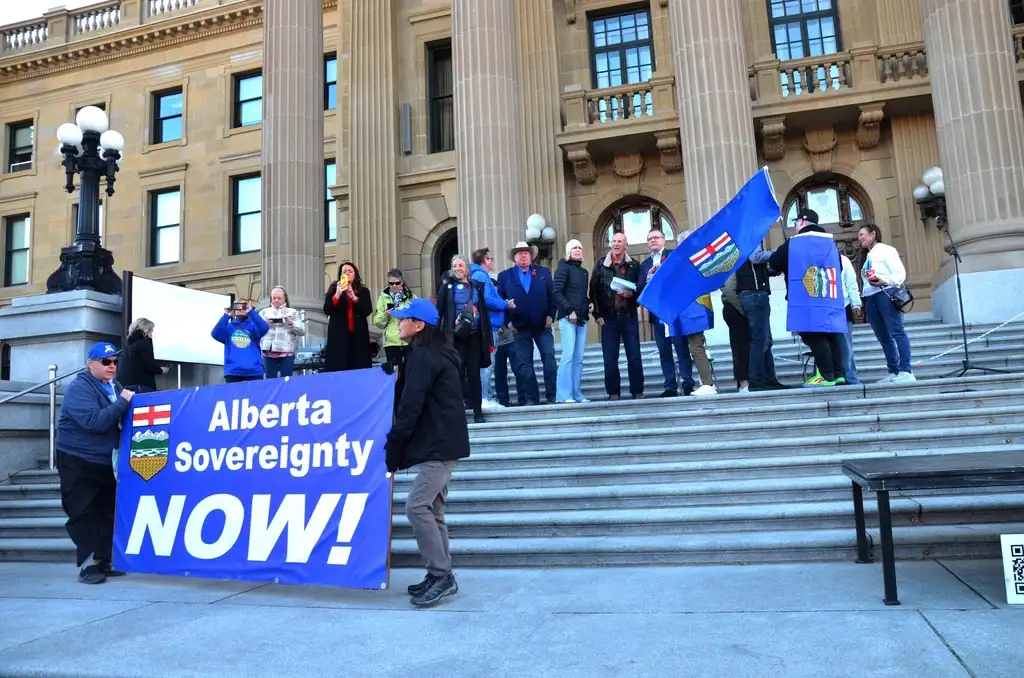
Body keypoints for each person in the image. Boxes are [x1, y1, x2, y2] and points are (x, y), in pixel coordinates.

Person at [384, 298, 470, 607]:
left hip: (440, 445)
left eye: (403, 319)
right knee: (433, 510)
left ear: (419, 325)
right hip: (444, 442)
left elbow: (411, 407)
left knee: (416, 507)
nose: (398, 323)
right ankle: (440, 573)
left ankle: (441, 574)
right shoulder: (429, 353)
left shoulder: (423, 355)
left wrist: (393, 447)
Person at [55, 341, 134, 584]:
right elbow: (94, 422)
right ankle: (88, 565)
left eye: (115, 362)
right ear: (91, 364)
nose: (112, 366)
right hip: (77, 459)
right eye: (106, 362)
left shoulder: (114, 386)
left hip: (104, 459)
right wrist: (122, 402)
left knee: (106, 512)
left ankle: (103, 560)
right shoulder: (79, 387)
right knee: (83, 512)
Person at [769, 208, 848, 386]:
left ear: (802, 222)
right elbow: (839, 268)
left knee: (812, 334)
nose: (795, 226)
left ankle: (826, 375)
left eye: (795, 222)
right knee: (831, 333)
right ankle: (839, 373)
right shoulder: (830, 242)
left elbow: (775, 261)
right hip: (828, 296)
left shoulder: (795, 242)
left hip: (805, 297)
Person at [496, 242, 558, 405]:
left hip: (542, 326)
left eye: (526, 253)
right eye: (519, 253)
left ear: (531, 256)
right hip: (518, 328)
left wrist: (551, 315)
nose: (523, 255)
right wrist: (508, 322)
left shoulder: (544, 272)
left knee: (550, 359)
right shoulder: (505, 276)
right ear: (514, 257)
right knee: (525, 365)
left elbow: (553, 296)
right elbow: (500, 302)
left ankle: (552, 395)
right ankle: (532, 398)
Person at [637, 228, 695, 397]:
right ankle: (670, 386)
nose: (653, 241)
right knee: (664, 351)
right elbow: (640, 289)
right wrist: (648, 277)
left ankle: (687, 383)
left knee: (681, 349)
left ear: (663, 240)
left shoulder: (672, 255)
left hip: (675, 312)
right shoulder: (645, 264)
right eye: (650, 239)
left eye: (656, 237)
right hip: (657, 314)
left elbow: (681, 275)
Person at [436, 254, 493, 423]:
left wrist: (488, 338)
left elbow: (484, 313)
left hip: (475, 336)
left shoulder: (477, 286)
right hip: (455, 338)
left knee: (475, 375)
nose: (457, 269)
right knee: (457, 375)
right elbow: (438, 314)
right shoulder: (446, 289)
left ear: (467, 268)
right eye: (454, 266)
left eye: (460, 265)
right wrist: (436, 337)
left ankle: (477, 412)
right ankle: (457, 413)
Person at [589, 232, 644, 400]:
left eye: (620, 241)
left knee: (634, 355)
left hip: (629, 316)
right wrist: (597, 314)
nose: (616, 244)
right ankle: (613, 392)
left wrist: (632, 296)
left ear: (625, 245)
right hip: (608, 318)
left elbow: (640, 289)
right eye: (614, 241)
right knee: (610, 358)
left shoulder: (634, 265)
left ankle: (637, 391)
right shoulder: (600, 265)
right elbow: (594, 292)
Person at [858, 223, 915, 383]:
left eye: (862, 234)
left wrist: (884, 280)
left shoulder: (886, 250)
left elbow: (900, 273)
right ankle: (894, 370)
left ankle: (906, 371)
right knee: (883, 336)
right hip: (870, 297)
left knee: (897, 332)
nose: (859, 238)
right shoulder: (867, 256)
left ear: (873, 234)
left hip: (885, 293)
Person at [736, 245, 786, 391]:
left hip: (753, 294)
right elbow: (755, 257)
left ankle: (769, 378)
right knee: (760, 340)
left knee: (765, 339)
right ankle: (757, 379)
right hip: (755, 295)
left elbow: (752, 267)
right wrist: (777, 253)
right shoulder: (751, 236)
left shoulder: (744, 238)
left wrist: (769, 272)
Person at [469, 249, 513, 410]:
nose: (492, 261)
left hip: (490, 326)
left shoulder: (480, 275)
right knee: (487, 364)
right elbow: (487, 299)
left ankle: (486, 396)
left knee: (488, 364)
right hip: (488, 326)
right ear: (484, 260)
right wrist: (505, 304)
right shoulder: (481, 276)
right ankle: (484, 398)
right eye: (490, 258)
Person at [552, 239, 590, 403]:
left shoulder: (584, 272)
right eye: (574, 247)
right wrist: (569, 310)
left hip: (582, 319)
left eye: (580, 247)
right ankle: (563, 395)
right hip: (568, 318)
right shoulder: (563, 268)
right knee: (568, 356)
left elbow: (581, 295)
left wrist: (589, 303)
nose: (578, 250)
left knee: (579, 358)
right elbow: (556, 292)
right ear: (568, 252)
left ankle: (576, 393)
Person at [373, 269, 415, 410]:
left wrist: (406, 314)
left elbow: (417, 317)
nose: (394, 286)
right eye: (391, 283)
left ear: (402, 282)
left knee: (410, 377)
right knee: (395, 379)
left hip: (409, 341)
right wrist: (386, 314)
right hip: (392, 342)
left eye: (397, 283)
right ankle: (396, 410)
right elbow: (377, 321)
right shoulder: (383, 298)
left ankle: (409, 409)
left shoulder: (411, 297)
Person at [323, 262, 374, 372]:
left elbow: (367, 310)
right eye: (344, 272)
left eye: (349, 271)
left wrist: (354, 297)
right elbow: (327, 309)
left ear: (355, 274)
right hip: (339, 335)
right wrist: (337, 294)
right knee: (338, 365)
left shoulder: (363, 291)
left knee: (359, 365)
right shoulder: (333, 289)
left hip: (358, 335)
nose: (347, 274)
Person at [211, 299, 270, 383]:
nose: (241, 308)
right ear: (234, 310)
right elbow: (215, 334)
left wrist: (251, 311)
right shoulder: (228, 327)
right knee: (233, 396)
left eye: (244, 306)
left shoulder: (253, 326)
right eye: (238, 306)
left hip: (254, 371)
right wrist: (226, 315)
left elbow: (265, 328)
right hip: (233, 371)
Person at [258, 286, 306, 379]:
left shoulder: (293, 312)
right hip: (268, 351)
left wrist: (293, 325)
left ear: (285, 298)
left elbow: (302, 331)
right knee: (270, 381)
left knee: (286, 380)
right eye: (274, 298)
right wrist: (264, 325)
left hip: (287, 351)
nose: (276, 300)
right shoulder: (263, 312)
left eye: (279, 298)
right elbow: (256, 331)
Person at [116, 317, 169, 393]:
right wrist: (161, 370)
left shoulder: (127, 347)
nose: (152, 334)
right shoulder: (144, 343)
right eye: (151, 331)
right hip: (140, 387)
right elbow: (149, 365)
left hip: (123, 388)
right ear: (146, 330)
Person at [721, 273, 751, 393]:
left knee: (744, 347)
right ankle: (743, 383)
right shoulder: (733, 261)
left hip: (736, 307)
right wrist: (743, 310)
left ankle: (744, 381)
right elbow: (729, 289)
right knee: (740, 348)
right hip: (734, 308)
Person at [837, 254, 863, 385]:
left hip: (843, 305)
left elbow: (851, 282)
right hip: (824, 308)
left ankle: (849, 375)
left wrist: (856, 302)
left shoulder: (843, 260)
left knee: (846, 344)